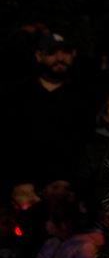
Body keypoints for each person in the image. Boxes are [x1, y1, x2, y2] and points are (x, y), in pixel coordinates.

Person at [7, 29, 90, 201]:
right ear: (39, 56)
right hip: (27, 192)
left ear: (73, 55)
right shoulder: (18, 94)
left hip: (72, 192)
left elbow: (87, 144)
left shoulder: (84, 95)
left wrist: (71, 183)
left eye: (65, 52)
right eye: (52, 53)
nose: (60, 58)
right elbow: (10, 141)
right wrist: (19, 182)